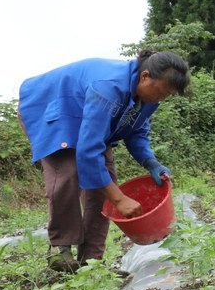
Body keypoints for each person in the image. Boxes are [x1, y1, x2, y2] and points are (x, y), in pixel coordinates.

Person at [18, 50, 190, 272]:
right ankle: (61, 250)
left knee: (104, 182)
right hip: (53, 109)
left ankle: (91, 261)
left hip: (90, 117)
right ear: (145, 76)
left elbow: (136, 132)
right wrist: (119, 200)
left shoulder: (148, 97)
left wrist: (150, 162)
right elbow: (88, 151)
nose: (161, 99)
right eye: (161, 92)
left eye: (167, 96)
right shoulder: (108, 87)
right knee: (68, 172)